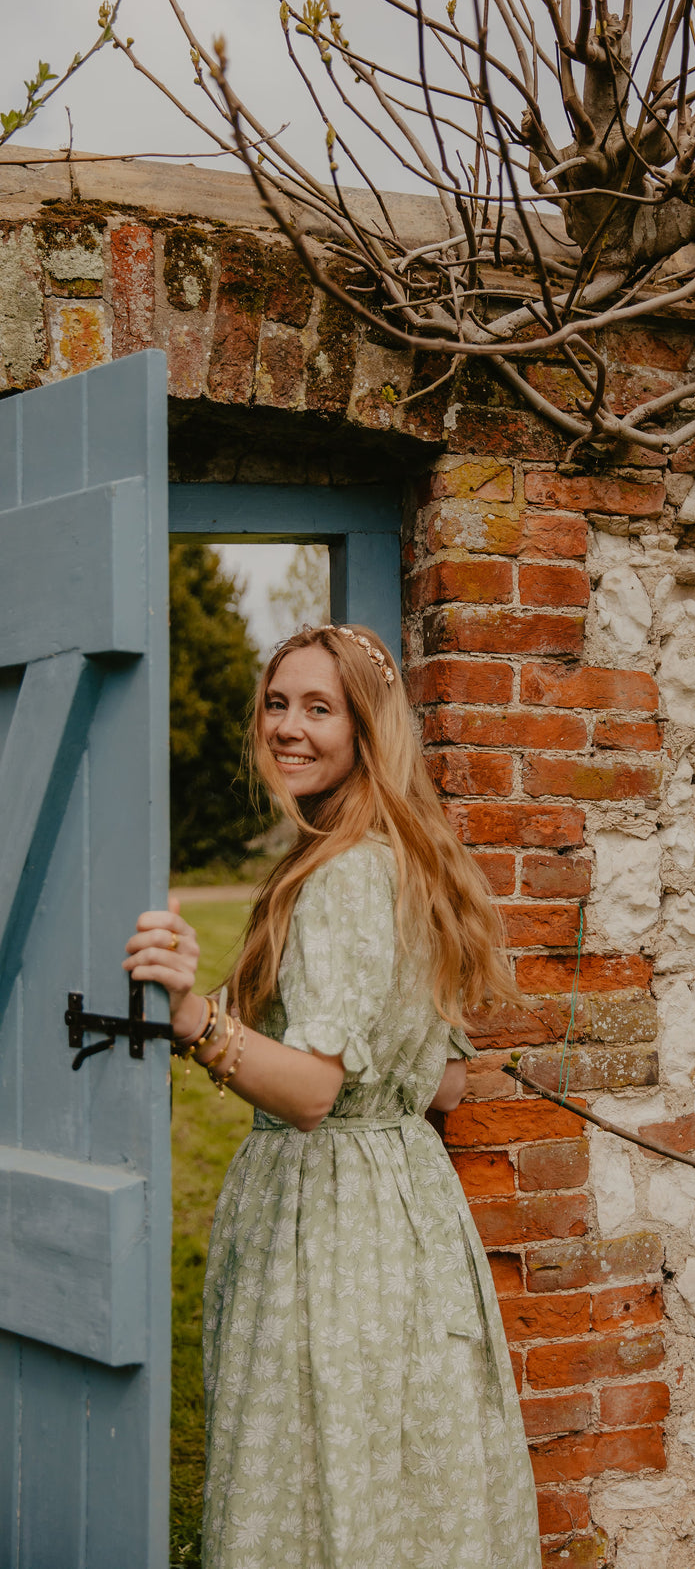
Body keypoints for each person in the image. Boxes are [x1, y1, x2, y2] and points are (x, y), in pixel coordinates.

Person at [124, 622, 541, 1569]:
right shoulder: (390, 853)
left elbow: (312, 1092)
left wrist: (194, 1019)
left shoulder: (348, 873)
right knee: (395, 1483)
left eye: (320, 707)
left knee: (322, 1476)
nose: (288, 727)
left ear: (367, 729)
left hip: (336, 1223)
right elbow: (444, 1077)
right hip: (404, 1210)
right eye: (277, 703)